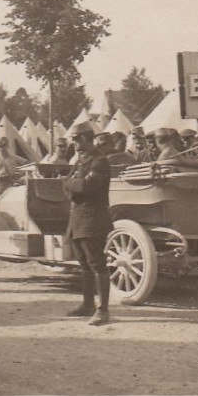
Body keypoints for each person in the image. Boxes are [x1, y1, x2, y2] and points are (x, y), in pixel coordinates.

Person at [63, 121, 114, 326]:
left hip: (93, 220)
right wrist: (70, 184)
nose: (73, 143)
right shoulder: (81, 161)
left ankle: (103, 310)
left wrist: (68, 184)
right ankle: (88, 304)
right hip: (78, 220)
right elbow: (70, 186)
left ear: (84, 138)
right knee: (84, 264)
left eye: (75, 139)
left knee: (97, 264)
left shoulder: (99, 161)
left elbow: (85, 186)